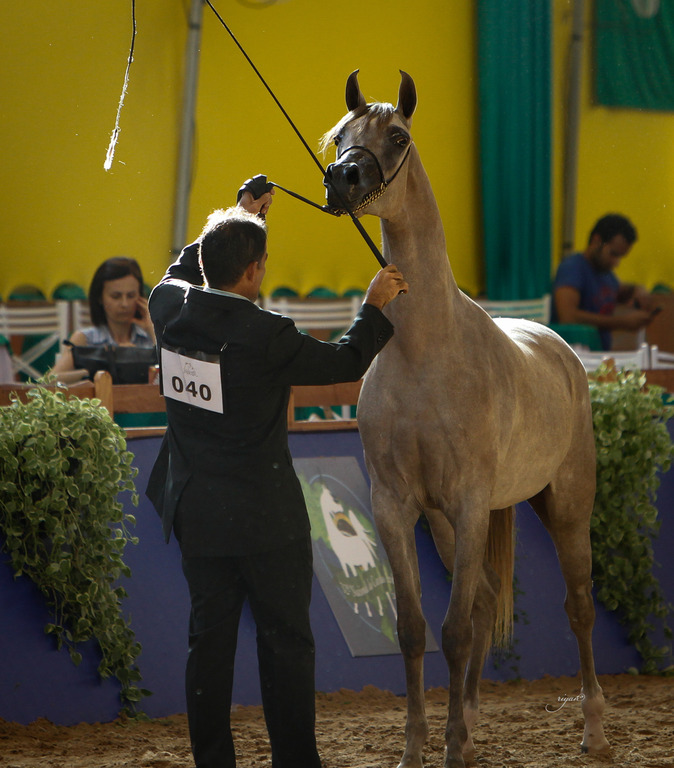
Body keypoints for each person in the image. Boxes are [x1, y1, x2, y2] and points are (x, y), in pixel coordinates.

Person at [145, 181, 408, 768]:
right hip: (266, 519)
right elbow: (345, 360)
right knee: (285, 644)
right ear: (256, 271)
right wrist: (374, 305)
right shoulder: (268, 335)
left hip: (197, 511)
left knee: (207, 643)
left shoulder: (168, 309)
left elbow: (180, 268)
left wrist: (234, 218)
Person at [551, 213, 655, 350]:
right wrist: (622, 322)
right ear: (596, 240)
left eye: (620, 257)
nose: (616, 262)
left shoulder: (606, 273)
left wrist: (635, 291)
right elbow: (568, 317)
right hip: (576, 356)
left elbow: (613, 294)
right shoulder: (572, 268)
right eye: (613, 254)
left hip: (599, 356)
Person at [51, 256, 156, 382]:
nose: (124, 304)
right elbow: (50, 380)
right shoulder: (85, 338)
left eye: (131, 296)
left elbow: (169, 376)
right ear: (100, 298)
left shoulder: (149, 337)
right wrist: (103, 365)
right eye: (116, 296)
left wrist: (153, 329)